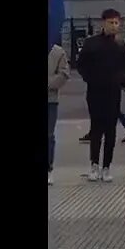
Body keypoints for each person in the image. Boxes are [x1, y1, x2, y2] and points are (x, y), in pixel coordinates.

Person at [75, 9, 125, 182]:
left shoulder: (120, 45)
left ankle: (107, 166)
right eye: (111, 22)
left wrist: (121, 79)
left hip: (113, 92)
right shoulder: (91, 43)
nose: (114, 25)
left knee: (111, 131)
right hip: (95, 92)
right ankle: (94, 165)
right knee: (97, 129)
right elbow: (81, 65)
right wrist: (91, 79)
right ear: (103, 23)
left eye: (116, 22)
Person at [48, 42, 71, 186]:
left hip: (50, 100)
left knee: (49, 135)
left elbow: (64, 73)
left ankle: (48, 168)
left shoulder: (58, 52)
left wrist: (49, 83)